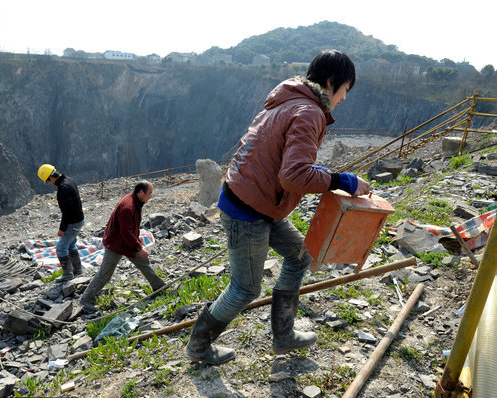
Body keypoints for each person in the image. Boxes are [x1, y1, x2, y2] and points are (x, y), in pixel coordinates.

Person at [185, 50, 370, 365]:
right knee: (245, 289)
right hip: (248, 210)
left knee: (301, 256)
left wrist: (325, 176)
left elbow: (283, 163)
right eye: (345, 91)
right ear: (330, 83)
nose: (344, 99)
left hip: (256, 201)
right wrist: (343, 181)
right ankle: (199, 344)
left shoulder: (285, 101)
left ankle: (283, 334)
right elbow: (293, 175)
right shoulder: (310, 112)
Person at [79, 181, 166, 312]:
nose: (150, 196)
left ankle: (159, 287)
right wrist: (139, 247)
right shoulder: (128, 206)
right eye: (150, 193)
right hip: (116, 244)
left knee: (143, 262)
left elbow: (130, 228)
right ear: (141, 192)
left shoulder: (134, 201)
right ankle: (86, 299)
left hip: (127, 242)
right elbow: (125, 232)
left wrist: (137, 240)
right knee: (105, 274)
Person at [37, 164, 85, 282]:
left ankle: (68, 275)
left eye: (47, 181)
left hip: (73, 222)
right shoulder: (69, 180)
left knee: (61, 248)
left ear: (50, 177)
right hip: (79, 219)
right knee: (71, 244)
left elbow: (67, 212)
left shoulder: (62, 189)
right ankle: (77, 270)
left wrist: (62, 229)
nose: (49, 183)